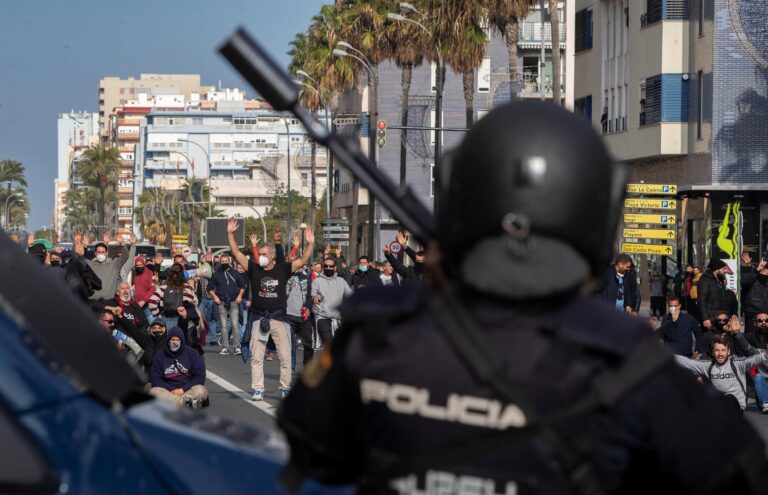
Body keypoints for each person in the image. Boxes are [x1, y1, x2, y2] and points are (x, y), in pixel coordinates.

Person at [277, 101, 768, 493]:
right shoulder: (628, 363)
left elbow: (309, 454)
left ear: (458, 198)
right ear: (598, 215)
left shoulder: (378, 337)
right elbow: (740, 473)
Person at [226, 218, 314, 401]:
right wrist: (230, 233)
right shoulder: (254, 268)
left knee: (285, 356)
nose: (260, 256)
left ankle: (285, 388)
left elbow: (304, 259)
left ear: (272, 255)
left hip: (279, 319)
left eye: (264, 254)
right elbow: (236, 252)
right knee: (257, 356)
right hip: (259, 318)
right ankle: (258, 389)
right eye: (259, 253)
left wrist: (310, 243)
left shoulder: (283, 269)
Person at [674, 336, 768, 412]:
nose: (720, 354)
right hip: (717, 407)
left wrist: (765, 354)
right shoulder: (707, 366)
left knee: (730, 398)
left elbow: (753, 360)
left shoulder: (737, 364)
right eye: (717, 350)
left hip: (736, 407)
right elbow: (687, 362)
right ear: (712, 352)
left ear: (728, 351)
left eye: (723, 350)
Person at [149, 326, 208, 409]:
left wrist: (182, 390)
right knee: (153, 391)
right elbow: (155, 379)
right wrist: (172, 390)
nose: (175, 342)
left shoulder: (192, 353)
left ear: (182, 341)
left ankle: (175, 404)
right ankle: (186, 404)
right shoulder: (160, 355)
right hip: (168, 391)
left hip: (187, 389)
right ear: (168, 340)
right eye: (172, 339)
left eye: (177, 340)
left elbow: (200, 376)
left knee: (201, 390)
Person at [73, 232, 136, 307]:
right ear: (95, 253)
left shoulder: (114, 265)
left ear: (106, 253)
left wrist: (122, 243)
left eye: (103, 252)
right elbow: (77, 260)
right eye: (99, 252)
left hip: (109, 303)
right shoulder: (89, 264)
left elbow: (125, 256)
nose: (101, 254)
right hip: (93, 303)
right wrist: (77, 244)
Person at [207, 254, 246, 356]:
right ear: (220, 262)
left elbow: (242, 286)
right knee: (223, 326)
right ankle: (225, 347)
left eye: (226, 261)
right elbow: (209, 288)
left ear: (229, 261)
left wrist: (239, 296)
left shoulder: (235, 273)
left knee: (235, 325)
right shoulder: (216, 274)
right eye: (222, 261)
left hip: (233, 301)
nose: (224, 262)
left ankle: (237, 347)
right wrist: (215, 297)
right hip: (221, 302)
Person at [311, 257, 353, 350]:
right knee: (329, 342)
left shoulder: (341, 281)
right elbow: (313, 294)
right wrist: (315, 298)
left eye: (331, 266)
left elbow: (350, 295)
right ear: (323, 267)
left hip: (338, 318)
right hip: (323, 316)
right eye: (326, 266)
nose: (328, 268)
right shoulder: (317, 281)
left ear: (335, 268)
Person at [147, 263, 198, 329]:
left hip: (166, 318)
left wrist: (158, 314)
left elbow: (152, 302)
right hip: (183, 320)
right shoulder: (187, 288)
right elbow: (195, 303)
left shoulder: (163, 288)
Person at [698, 258, 736, 329]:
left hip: (721, 318)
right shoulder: (705, 280)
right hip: (710, 320)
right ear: (716, 269)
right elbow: (702, 301)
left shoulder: (718, 281)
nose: (726, 271)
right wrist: (705, 318)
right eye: (724, 268)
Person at [740, 253, 768, 345]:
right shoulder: (753, 277)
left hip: (766, 314)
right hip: (753, 313)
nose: (766, 271)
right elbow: (745, 282)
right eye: (764, 268)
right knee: (751, 339)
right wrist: (756, 269)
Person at [132, 255, 155, 323]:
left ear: (144, 264)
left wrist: (144, 300)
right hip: (137, 304)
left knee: (152, 323)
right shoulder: (135, 274)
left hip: (147, 304)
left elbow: (152, 289)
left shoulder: (149, 273)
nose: (139, 266)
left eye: (140, 265)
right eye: (137, 265)